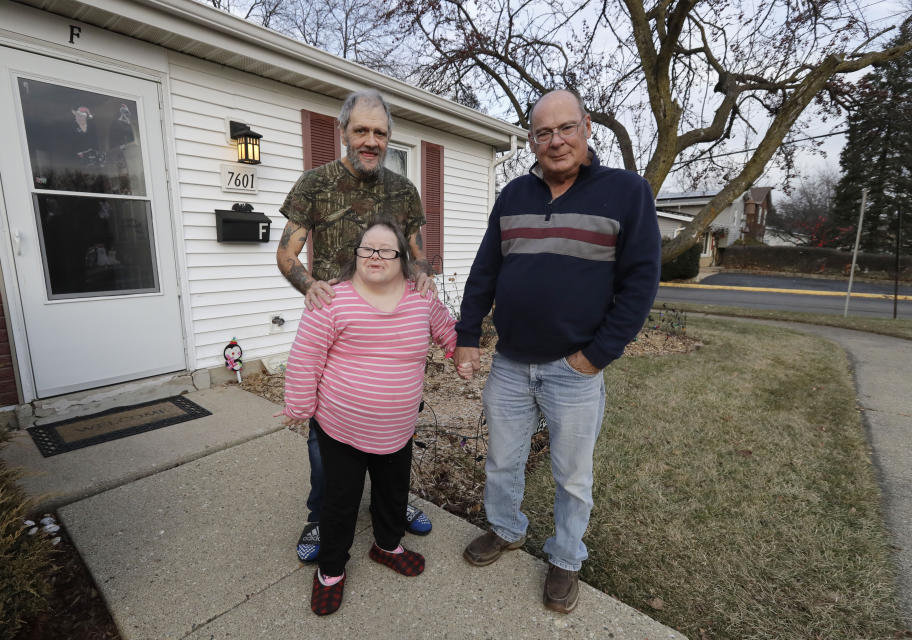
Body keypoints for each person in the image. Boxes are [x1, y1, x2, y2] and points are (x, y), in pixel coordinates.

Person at [453, 89, 661, 614]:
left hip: (575, 369)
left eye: (565, 128)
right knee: (503, 460)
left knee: (572, 474)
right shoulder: (513, 196)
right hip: (511, 363)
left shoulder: (626, 192)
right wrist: (469, 335)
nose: (555, 141)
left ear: (587, 128)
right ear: (531, 139)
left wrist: (596, 356)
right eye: (543, 132)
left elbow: (640, 284)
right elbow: (485, 271)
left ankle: (566, 556)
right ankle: (506, 528)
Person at [276, 89, 437, 563]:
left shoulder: (403, 191)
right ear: (344, 132)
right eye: (361, 130)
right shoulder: (314, 184)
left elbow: (418, 252)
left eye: (380, 132)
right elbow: (287, 253)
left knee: (396, 432)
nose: (371, 140)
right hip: (336, 335)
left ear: (389, 138)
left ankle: (392, 504)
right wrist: (309, 285)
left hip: (393, 335)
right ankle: (320, 517)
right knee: (325, 442)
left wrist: (422, 279)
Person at [281, 218, 463, 615]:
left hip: (397, 429)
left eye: (386, 250)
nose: (375, 256)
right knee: (340, 501)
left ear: (403, 259)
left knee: (392, 493)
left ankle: (387, 545)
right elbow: (305, 358)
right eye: (367, 249)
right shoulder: (331, 299)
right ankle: (330, 571)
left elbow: (447, 331)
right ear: (356, 255)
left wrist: (461, 354)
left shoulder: (422, 298)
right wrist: (298, 406)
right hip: (340, 428)